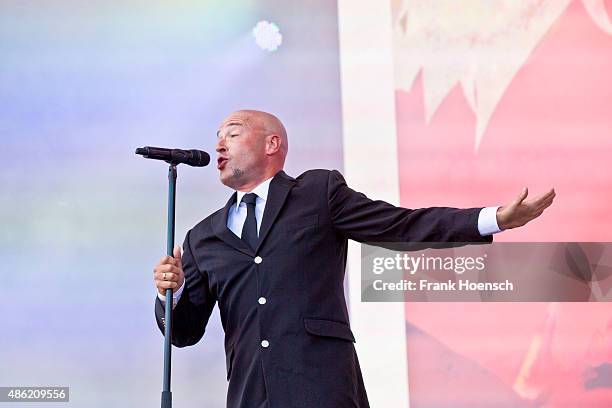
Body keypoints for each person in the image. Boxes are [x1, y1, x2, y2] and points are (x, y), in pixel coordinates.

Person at [152, 110, 555, 408]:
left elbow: (402, 225)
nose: (219, 145)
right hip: (251, 395)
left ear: (272, 144)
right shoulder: (202, 236)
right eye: (217, 137)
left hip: (322, 389)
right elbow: (184, 333)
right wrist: (171, 294)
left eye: (233, 134)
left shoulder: (316, 193)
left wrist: (491, 219)